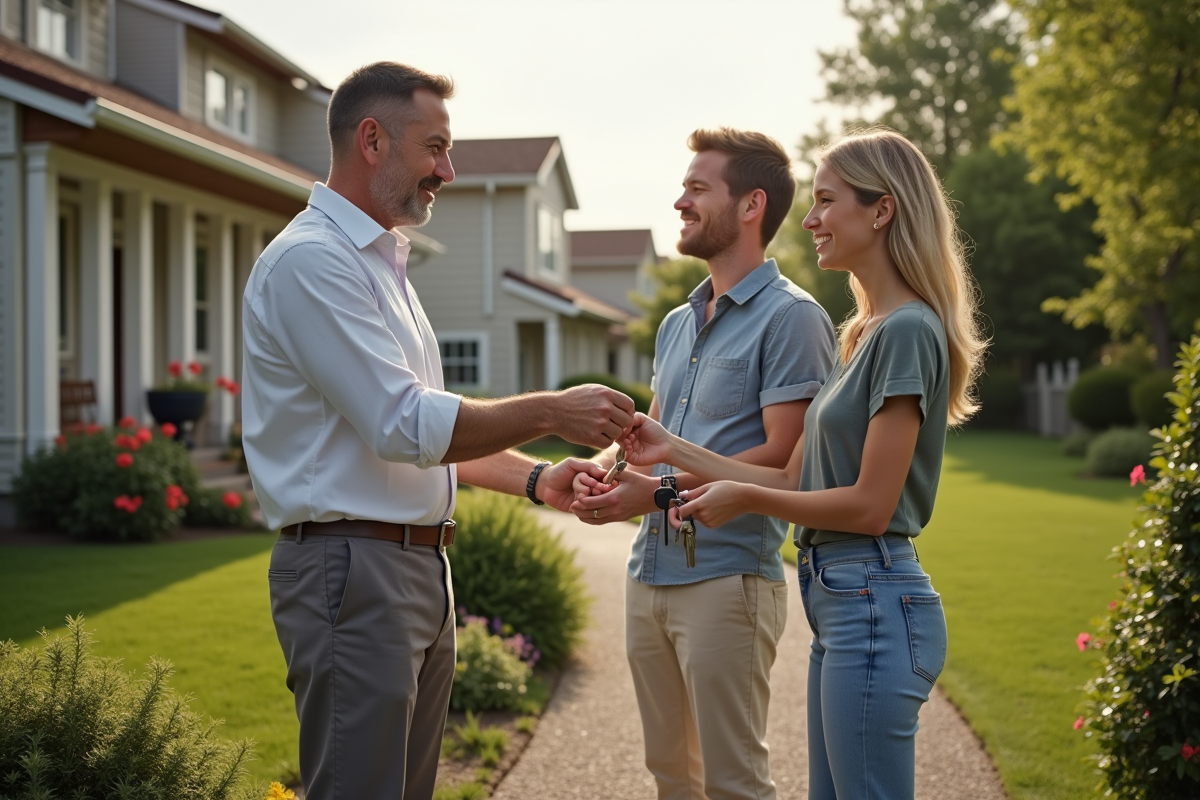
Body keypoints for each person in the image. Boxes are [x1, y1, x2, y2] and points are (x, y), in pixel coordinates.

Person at [241, 62, 635, 800]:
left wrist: (537, 478)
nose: (447, 171)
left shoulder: (383, 266)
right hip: (352, 571)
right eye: (435, 148)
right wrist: (553, 411)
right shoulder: (311, 263)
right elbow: (404, 425)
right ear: (371, 140)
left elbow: (426, 435)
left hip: (412, 567)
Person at [615, 128, 987, 800]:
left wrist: (739, 497)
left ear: (882, 209)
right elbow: (793, 477)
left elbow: (870, 506)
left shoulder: (907, 331)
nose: (810, 219)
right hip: (841, 598)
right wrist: (671, 449)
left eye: (826, 201)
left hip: (873, 594)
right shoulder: (864, 333)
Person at [571, 128, 836, 800]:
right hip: (647, 575)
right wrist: (598, 471)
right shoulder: (675, 323)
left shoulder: (793, 318)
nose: (680, 201)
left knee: (733, 783)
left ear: (751, 205)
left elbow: (783, 457)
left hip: (728, 580)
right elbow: (649, 435)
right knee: (671, 777)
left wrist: (654, 493)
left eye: (697, 188)